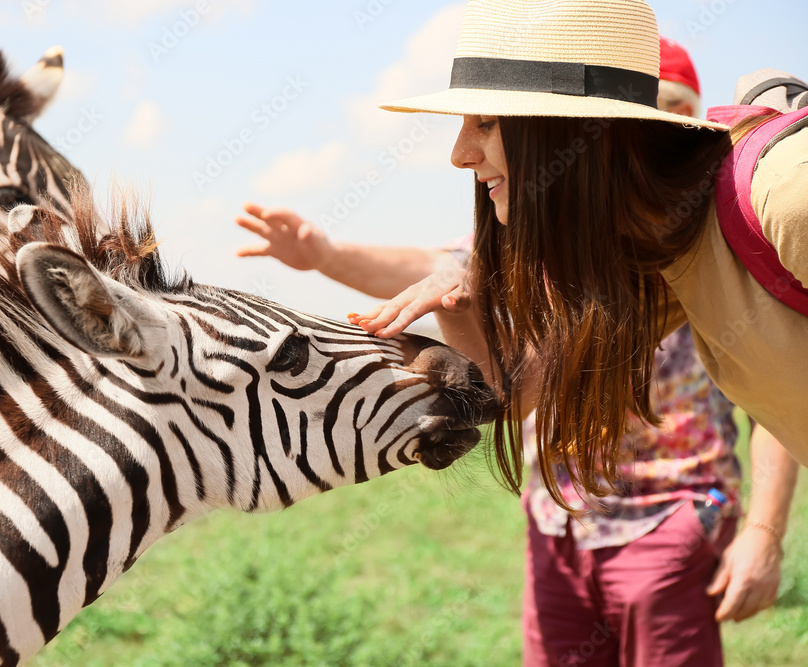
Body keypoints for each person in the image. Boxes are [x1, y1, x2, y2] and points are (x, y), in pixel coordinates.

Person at [235, 27, 799, 666]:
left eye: (487, 122)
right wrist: (435, 293)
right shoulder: (632, 268)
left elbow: (774, 404)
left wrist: (764, 531)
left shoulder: (773, 204)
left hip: (671, 514)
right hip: (562, 518)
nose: (457, 155)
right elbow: (513, 384)